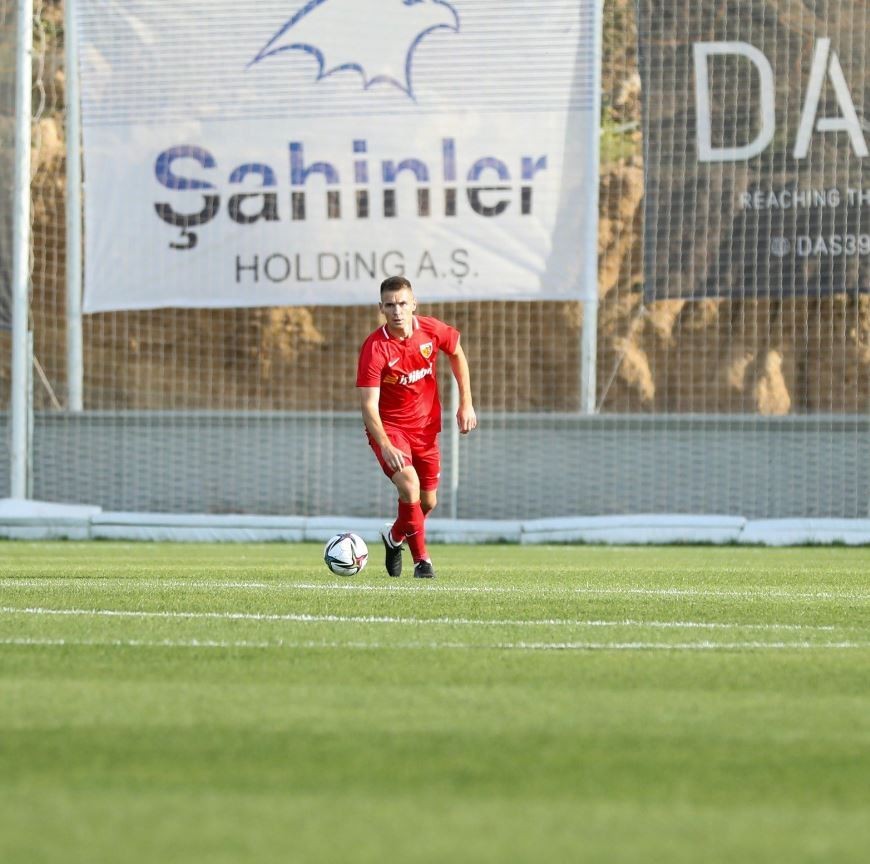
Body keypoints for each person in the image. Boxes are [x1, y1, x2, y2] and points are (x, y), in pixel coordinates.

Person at [357, 276, 477, 578]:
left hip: (425, 430)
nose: (396, 311)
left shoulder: (431, 330)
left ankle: (394, 536)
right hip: (390, 430)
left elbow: (457, 352)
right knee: (409, 484)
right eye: (389, 305)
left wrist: (466, 403)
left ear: (414, 304)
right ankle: (422, 562)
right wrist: (385, 444)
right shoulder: (375, 348)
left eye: (402, 303)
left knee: (427, 501)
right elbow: (369, 405)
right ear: (381, 308)